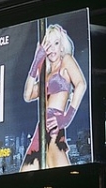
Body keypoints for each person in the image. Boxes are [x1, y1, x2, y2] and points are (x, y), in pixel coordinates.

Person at [22, 23, 87, 170]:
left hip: (54, 126)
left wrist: (67, 118)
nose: (52, 49)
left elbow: (81, 84)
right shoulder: (45, 74)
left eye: (56, 43)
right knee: (26, 173)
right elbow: (27, 95)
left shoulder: (66, 61)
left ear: (62, 47)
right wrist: (36, 62)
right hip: (41, 128)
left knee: (60, 173)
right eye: (48, 45)